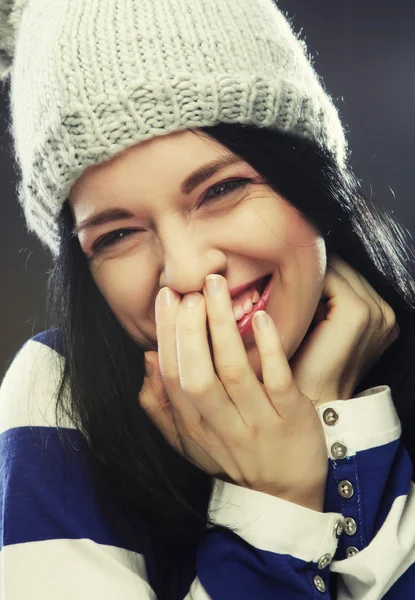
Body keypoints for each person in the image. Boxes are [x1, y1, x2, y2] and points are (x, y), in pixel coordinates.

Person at [0, 0, 414, 598]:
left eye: (222, 189)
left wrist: (338, 424)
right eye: (116, 235)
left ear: (310, 179)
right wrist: (275, 501)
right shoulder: (57, 402)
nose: (189, 271)